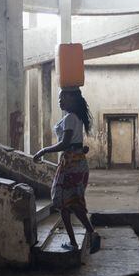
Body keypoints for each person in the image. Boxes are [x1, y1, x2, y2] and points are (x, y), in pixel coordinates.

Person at [33, 87, 100, 253]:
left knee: (62, 202)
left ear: (72, 99)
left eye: (63, 97)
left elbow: (65, 143)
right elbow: (75, 143)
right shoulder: (76, 117)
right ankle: (91, 233)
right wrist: (80, 150)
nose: (60, 100)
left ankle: (73, 242)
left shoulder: (70, 117)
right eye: (59, 97)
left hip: (70, 164)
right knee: (74, 202)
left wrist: (44, 150)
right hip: (78, 162)